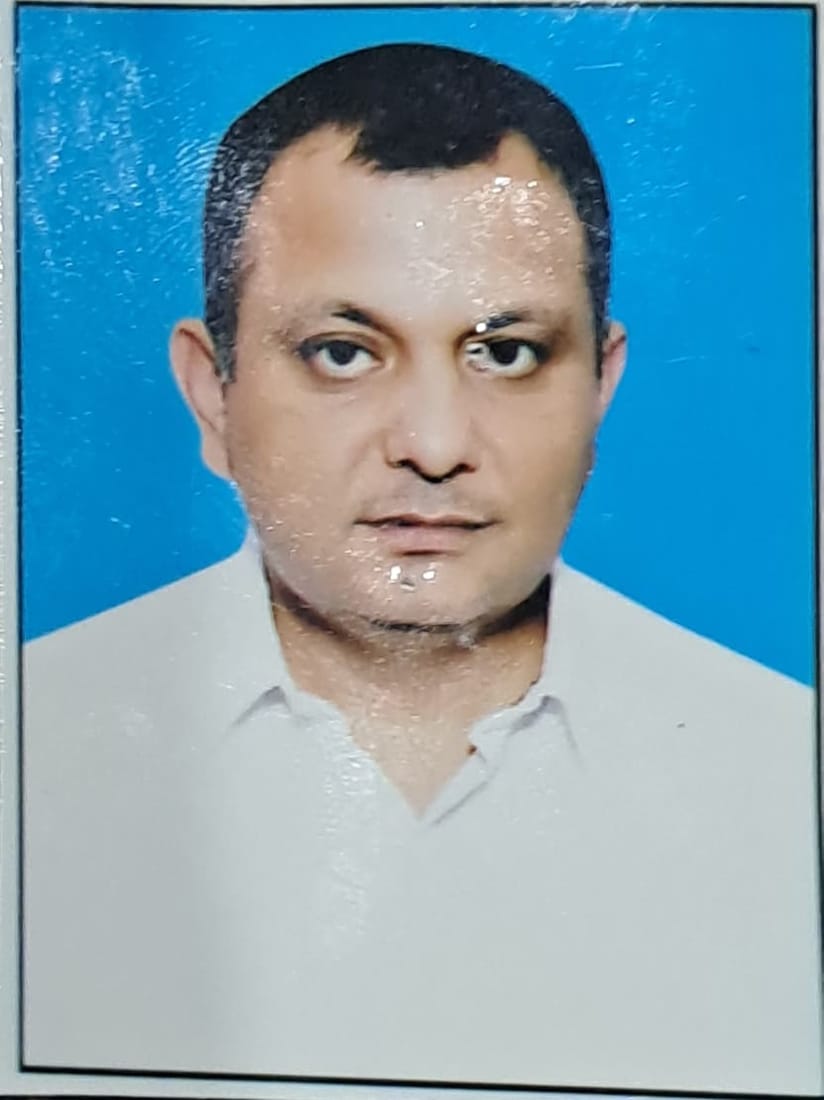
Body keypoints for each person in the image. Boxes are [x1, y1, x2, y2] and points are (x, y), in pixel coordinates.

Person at [22, 44, 821, 1094]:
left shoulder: (785, 771)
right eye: (342, 352)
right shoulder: (32, 744)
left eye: (506, 352)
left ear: (600, 386)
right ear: (212, 395)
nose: (434, 446)